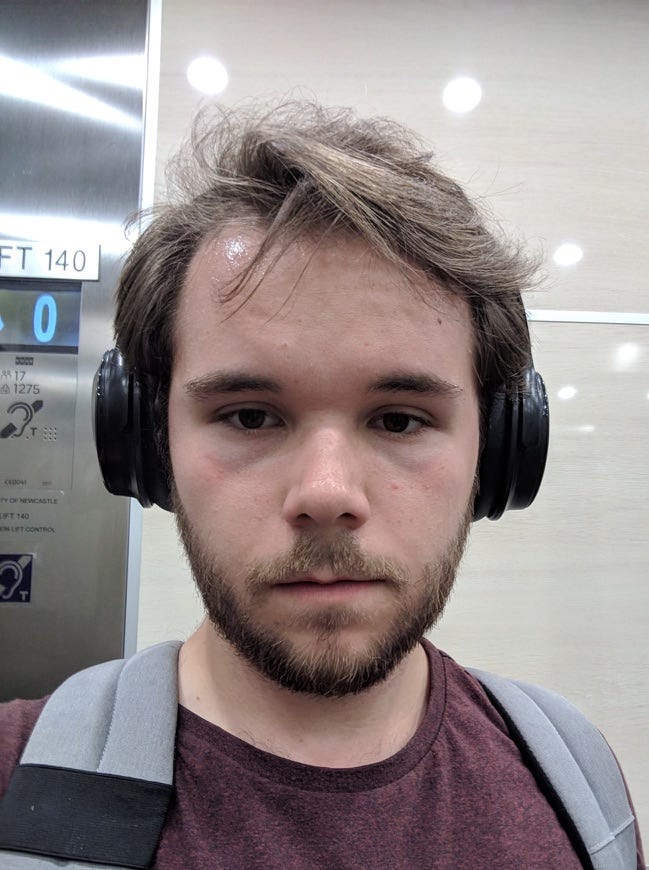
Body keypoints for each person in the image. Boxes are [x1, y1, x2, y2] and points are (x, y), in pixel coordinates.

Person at [0, 101, 644, 869]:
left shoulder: (578, 784)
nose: (327, 492)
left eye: (399, 421)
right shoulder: (15, 784)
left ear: (499, 454)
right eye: (247, 416)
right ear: (148, 445)